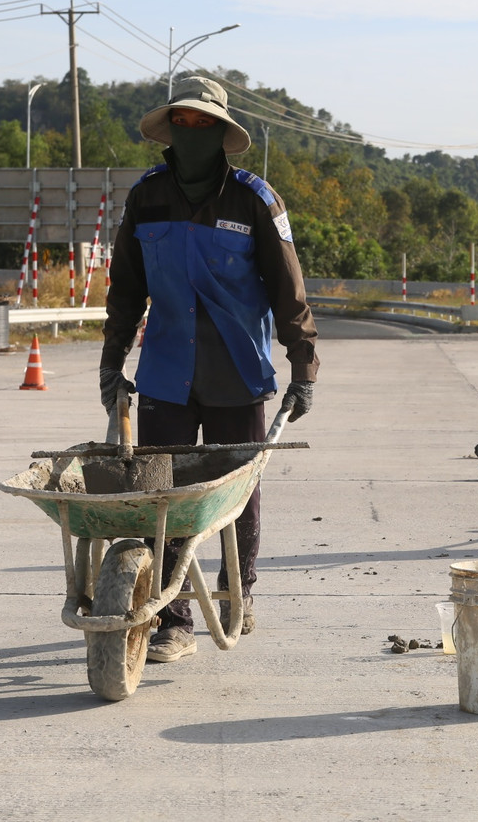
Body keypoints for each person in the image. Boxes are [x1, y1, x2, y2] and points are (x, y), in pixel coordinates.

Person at [99, 76, 319, 662]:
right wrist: (111, 362)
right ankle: (173, 619)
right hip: (166, 375)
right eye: (183, 123)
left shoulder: (254, 199)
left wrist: (305, 369)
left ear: (222, 132)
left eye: (204, 124)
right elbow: (126, 289)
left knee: (233, 497)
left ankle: (239, 593)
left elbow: (288, 292)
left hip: (237, 373)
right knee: (162, 498)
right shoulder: (147, 196)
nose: (192, 133)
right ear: (169, 129)